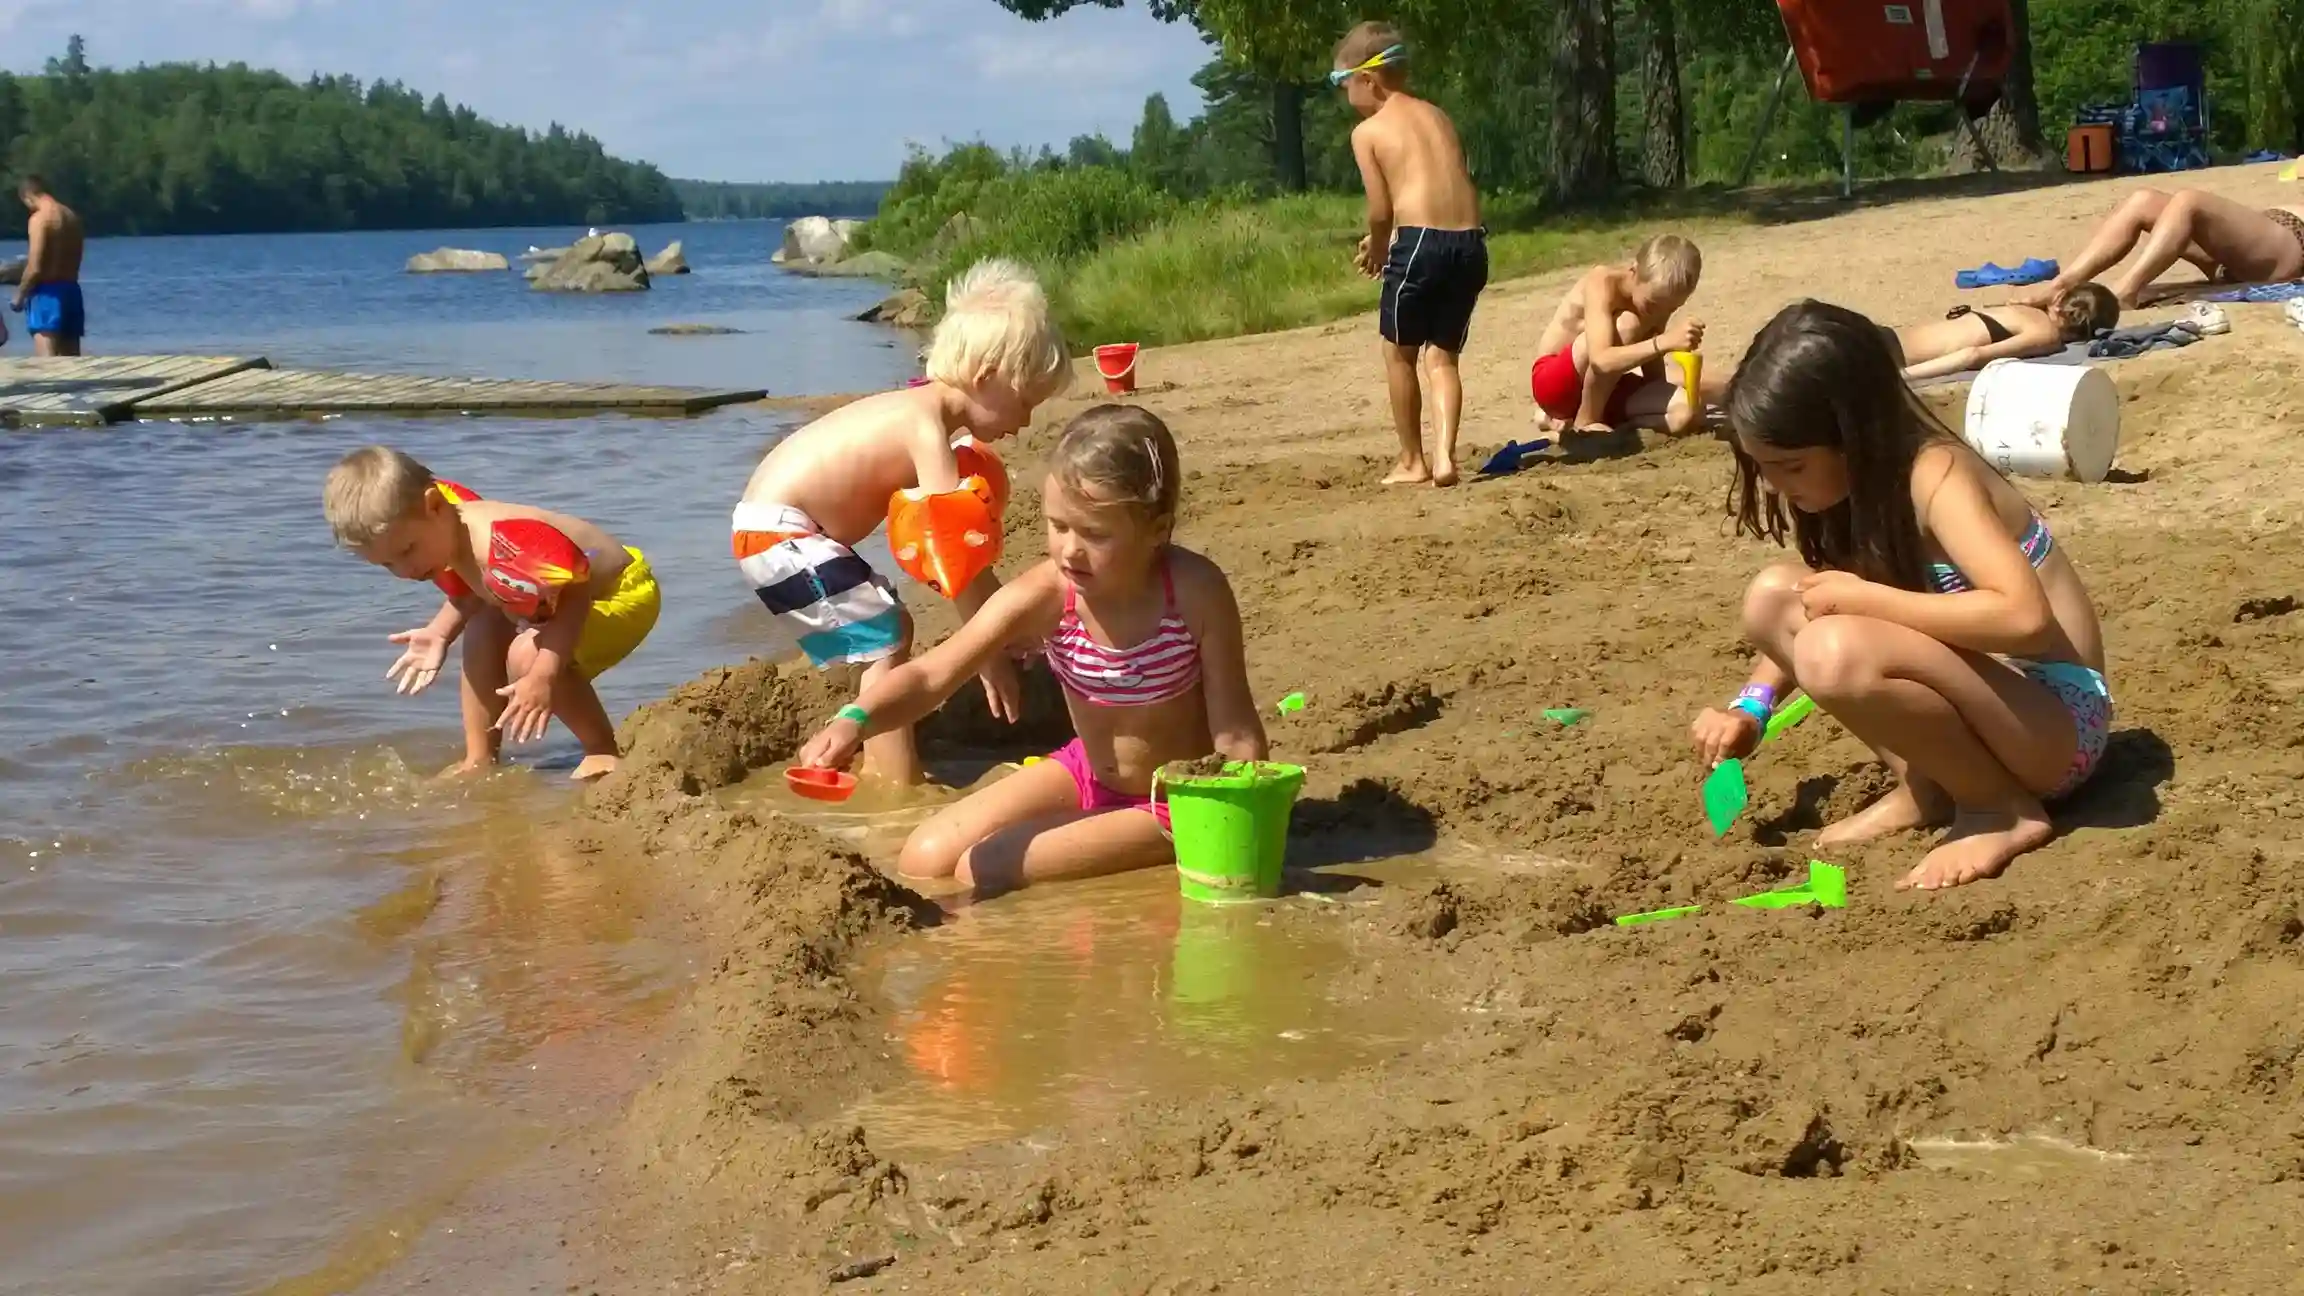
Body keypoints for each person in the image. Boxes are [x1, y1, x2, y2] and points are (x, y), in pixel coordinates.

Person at [1689, 300, 2112, 891]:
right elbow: (1820, 605)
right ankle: (1931, 785)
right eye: (1764, 469)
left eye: (1790, 466)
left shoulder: (1937, 474)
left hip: (2058, 725)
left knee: (1836, 648)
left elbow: (2025, 620)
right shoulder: (1853, 488)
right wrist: (1752, 708)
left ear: (1851, 434)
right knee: (1772, 596)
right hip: (1994, 708)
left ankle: (1998, 809)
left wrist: (1868, 600)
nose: (1777, 487)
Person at [795, 405, 1268, 897]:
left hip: (1176, 799)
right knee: (924, 857)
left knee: (981, 868)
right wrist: (856, 719)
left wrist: (1232, 818)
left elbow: (1236, 731)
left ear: (1157, 529)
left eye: (1095, 534)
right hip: (1086, 770)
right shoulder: (1046, 595)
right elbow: (934, 674)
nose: (1069, 550)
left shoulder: (1194, 592)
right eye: (1059, 526)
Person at [734, 257, 1069, 786]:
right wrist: (988, 655)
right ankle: (895, 782)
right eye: (1024, 403)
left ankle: (874, 757)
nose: (1026, 422)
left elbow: (966, 557)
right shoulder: (925, 430)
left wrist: (1009, 626)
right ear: (985, 379)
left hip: (777, 527)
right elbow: (955, 564)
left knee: (885, 629)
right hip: (779, 531)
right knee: (890, 633)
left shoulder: (926, 412)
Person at [324, 446, 661, 781]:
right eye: (386, 564)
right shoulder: (442, 523)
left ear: (435, 505)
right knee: (483, 626)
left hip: (621, 592)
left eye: (407, 551)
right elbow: (479, 591)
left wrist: (542, 675)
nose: (404, 570)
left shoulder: (502, 548)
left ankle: (601, 748)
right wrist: (440, 631)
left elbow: (575, 594)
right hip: (557, 595)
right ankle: (480, 757)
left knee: (526, 655)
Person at [1334, 21, 1489, 488]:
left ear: (1368, 79)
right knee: (1442, 357)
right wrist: (1388, 235)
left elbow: (1381, 209)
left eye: (1340, 82)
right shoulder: (1438, 115)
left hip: (1419, 242)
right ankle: (1445, 456)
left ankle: (1412, 460)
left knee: (1398, 353)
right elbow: (1445, 186)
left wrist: (1380, 247)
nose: (1342, 94)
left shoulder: (1369, 131)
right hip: (1470, 243)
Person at [1529, 234, 1706, 440]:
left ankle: (1565, 433)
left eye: (1672, 309)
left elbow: (1651, 359)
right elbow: (1600, 360)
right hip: (1555, 384)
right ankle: (1585, 423)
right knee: (1629, 325)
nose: (1658, 314)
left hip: (1603, 389)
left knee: (1689, 412)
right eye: (1651, 305)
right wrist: (1665, 342)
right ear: (1634, 271)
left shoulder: (1656, 302)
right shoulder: (1603, 282)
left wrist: (1659, 392)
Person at [2011, 186, 2304, 310]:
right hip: (2253, 246)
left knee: (2190, 202)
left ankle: (2125, 291)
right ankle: (2063, 284)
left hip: (2288, 246)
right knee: (2143, 200)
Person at [1889, 284, 2121, 383]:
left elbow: (1972, 351)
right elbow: (1972, 355)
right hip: (1888, 356)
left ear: (2059, 298)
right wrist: (1903, 377)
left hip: (1885, 340)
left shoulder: (2023, 310)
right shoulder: (2046, 335)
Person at [13, 176, 84, 356]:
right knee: (73, 361)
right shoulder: (71, 216)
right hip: (72, 289)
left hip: (47, 293)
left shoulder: (39, 219)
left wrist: (20, 296)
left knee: (47, 364)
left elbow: (35, 266)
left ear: (28, 196)